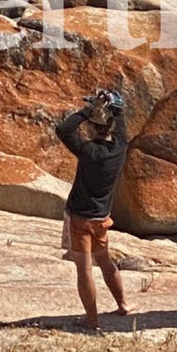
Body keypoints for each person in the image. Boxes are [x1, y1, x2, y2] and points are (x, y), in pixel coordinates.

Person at [55, 89, 134, 332]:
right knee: (105, 260)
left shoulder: (88, 151)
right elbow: (120, 124)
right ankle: (123, 304)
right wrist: (114, 107)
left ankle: (92, 320)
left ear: (91, 127)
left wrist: (88, 110)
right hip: (102, 218)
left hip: (80, 218)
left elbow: (63, 130)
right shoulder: (120, 148)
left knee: (84, 269)